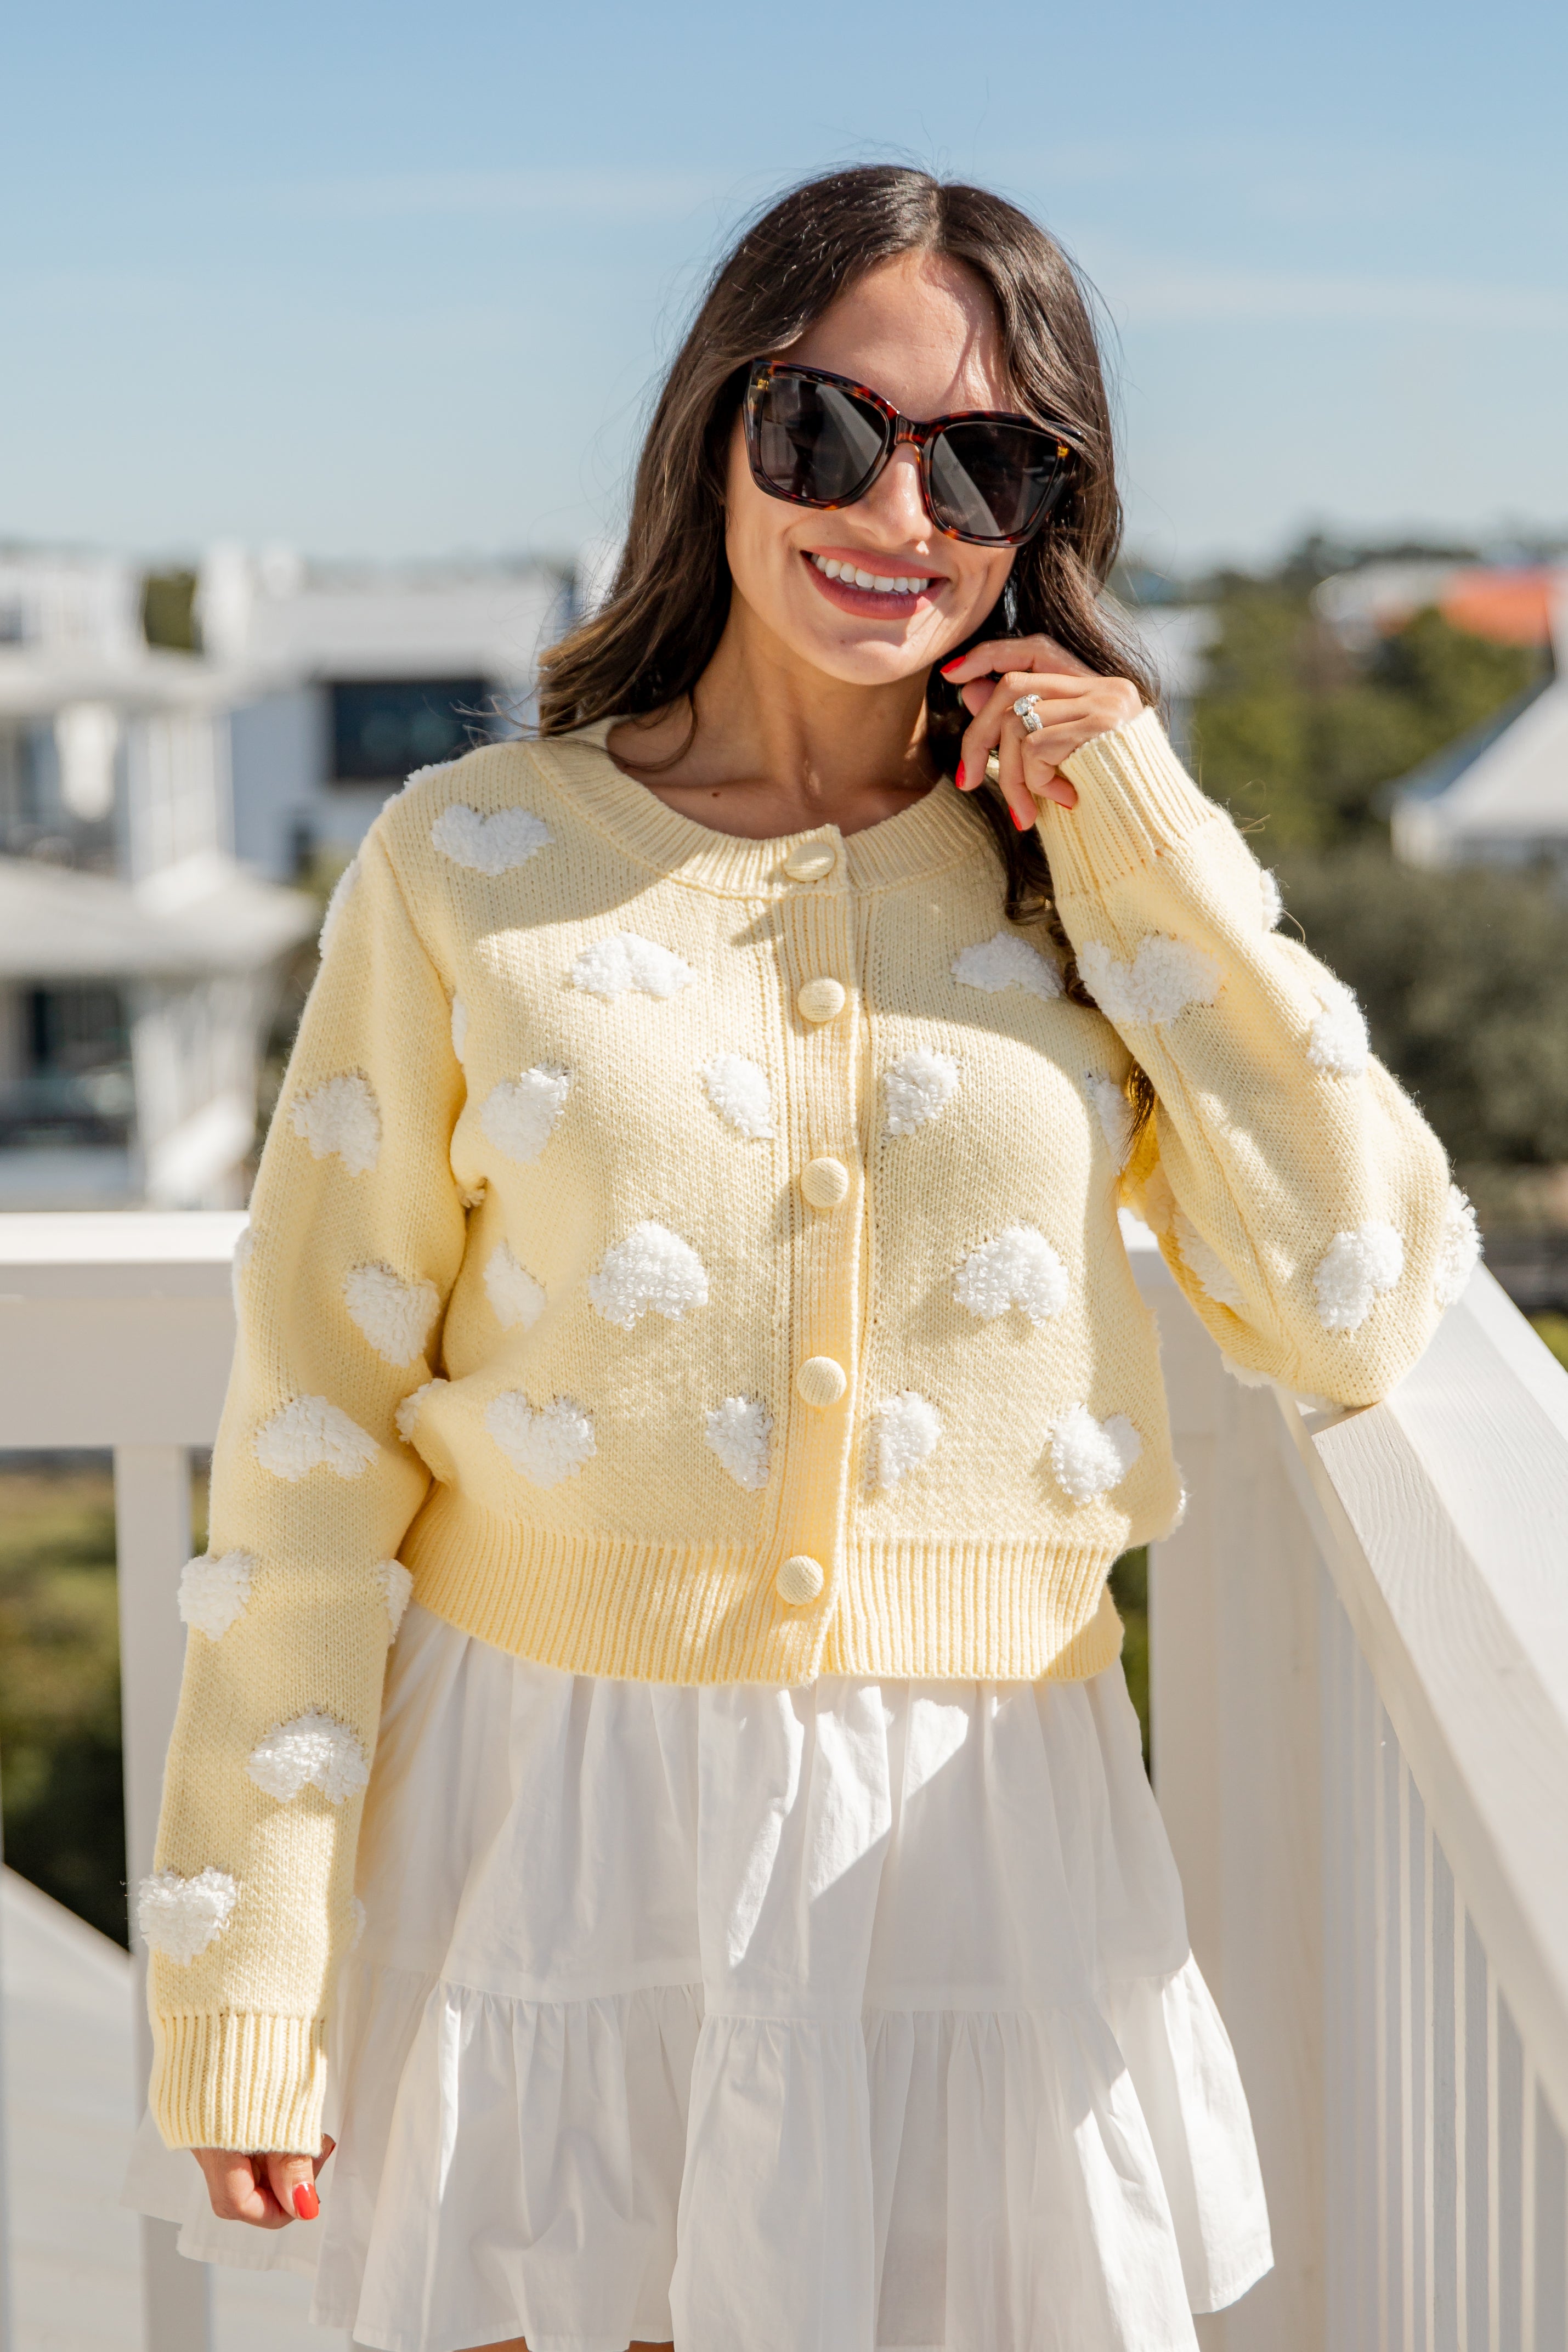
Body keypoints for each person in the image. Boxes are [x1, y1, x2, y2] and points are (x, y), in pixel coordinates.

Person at [124, 164, 1474, 2352]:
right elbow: (308, 1444)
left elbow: (1350, 1291)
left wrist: (1141, 829)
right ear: (716, 435)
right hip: (546, 1819)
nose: (901, 510)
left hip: (976, 1830)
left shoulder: (1079, 882)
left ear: (1052, 510)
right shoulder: (472, 860)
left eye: (991, 461)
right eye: (830, 427)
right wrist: (248, 1968)